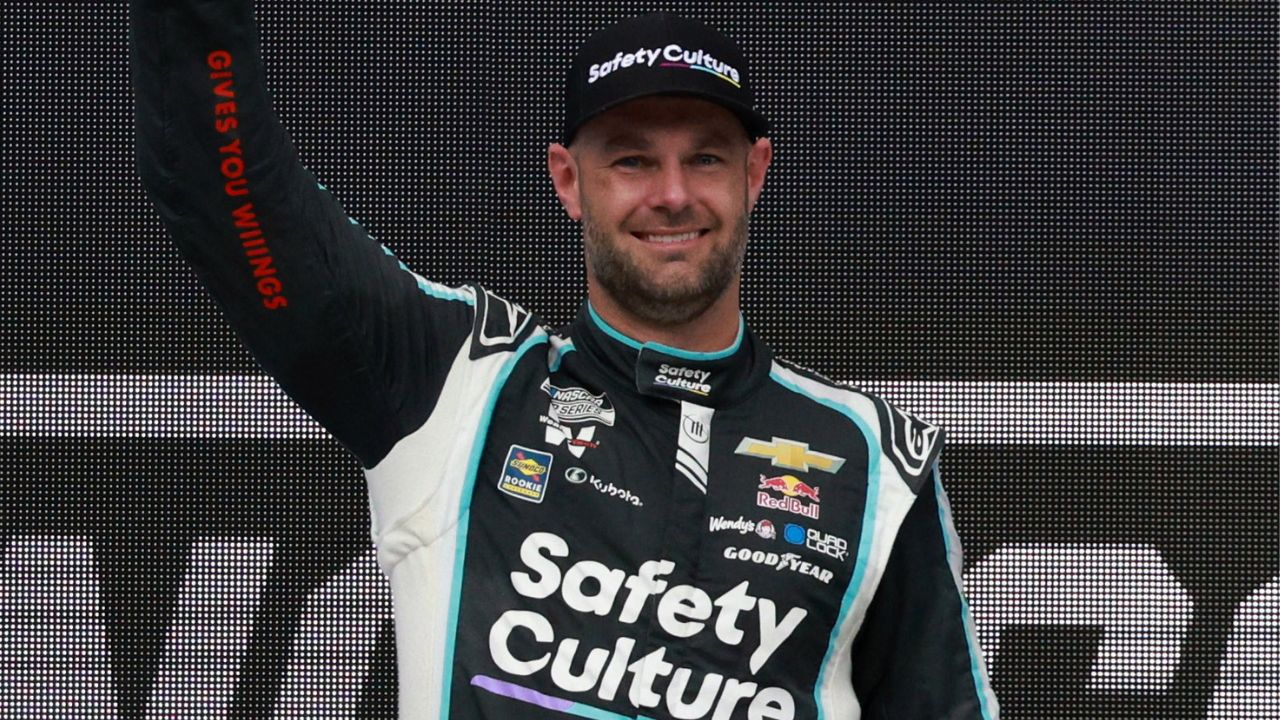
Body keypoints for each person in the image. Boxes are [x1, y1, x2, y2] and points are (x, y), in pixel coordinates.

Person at [131, 1, 998, 718]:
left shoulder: (875, 460)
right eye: (632, 160)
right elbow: (220, 186)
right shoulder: (459, 383)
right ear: (568, 180)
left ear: (755, 173)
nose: (672, 194)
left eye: (704, 157)